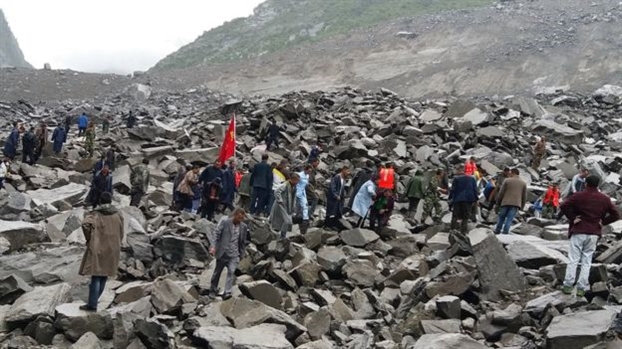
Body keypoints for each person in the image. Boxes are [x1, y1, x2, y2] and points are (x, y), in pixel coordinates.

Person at [560, 175, 620, 297]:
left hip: (579, 230)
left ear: (586, 183)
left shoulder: (578, 196)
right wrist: (603, 222)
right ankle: (581, 288)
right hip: (593, 232)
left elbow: (563, 206)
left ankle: (568, 285)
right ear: (598, 185)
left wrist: (572, 218)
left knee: (573, 259)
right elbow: (616, 214)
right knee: (586, 261)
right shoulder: (604, 199)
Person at [78, 192, 124, 311]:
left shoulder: (95, 213)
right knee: (104, 275)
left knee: (96, 276)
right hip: (113, 247)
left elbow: (85, 224)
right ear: (110, 201)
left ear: (100, 201)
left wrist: (89, 238)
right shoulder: (118, 214)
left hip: (98, 246)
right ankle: (94, 300)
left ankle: (92, 304)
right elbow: (121, 230)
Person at [207, 208, 250, 300]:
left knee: (231, 272)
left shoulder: (243, 227)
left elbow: (243, 241)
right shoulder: (225, 222)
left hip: (234, 254)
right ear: (234, 215)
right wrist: (213, 247)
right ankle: (212, 290)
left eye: (242, 219)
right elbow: (217, 234)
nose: (240, 220)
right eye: (239, 218)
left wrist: (241, 254)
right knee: (217, 273)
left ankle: (227, 292)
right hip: (223, 252)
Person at [494, 168, 527, 235]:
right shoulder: (523, 183)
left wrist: (498, 202)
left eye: (510, 173)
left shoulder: (507, 180)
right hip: (516, 204)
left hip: (505, 202)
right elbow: (524, 196)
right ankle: (505, 233)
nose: (509, 174)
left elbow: (501, 193)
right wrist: (522, 207)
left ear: (513, 173)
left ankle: (497, 230)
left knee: (501, 217)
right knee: (509, 219)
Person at [448, 165, 479, 234]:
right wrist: (476, 199)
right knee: (466, 216)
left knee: (455, 215)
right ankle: (463, 231)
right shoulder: (472, 179)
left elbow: (453, 190)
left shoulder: (456, 179)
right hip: (468, 200)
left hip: (457, 199)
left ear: (460, 170)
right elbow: (475, 190)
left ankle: (452, 230)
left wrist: (450, 199)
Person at [269, 173, 300, 238]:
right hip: (281, 206)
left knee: (286, 222)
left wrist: (294, 207)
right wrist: (280, 200)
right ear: (292, 180)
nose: (297, 182)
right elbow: (277, 192)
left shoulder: (294, 187)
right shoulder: (285, 185)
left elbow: (293, 198)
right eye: (296, 180)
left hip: (288, 207)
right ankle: (275, 235)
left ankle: (283, 236)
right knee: (280, 221)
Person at [296, 164, 313, 234]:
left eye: (310, 171)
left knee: (305, 205)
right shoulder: (299, 175)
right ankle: (296, 217)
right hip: (297, 192)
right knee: (297, 206)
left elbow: (306, 184)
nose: (309, 172)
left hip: (303, 192)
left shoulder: (307, 176)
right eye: (309, 171)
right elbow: (296, 184)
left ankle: (305, 219)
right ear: (305, 169)